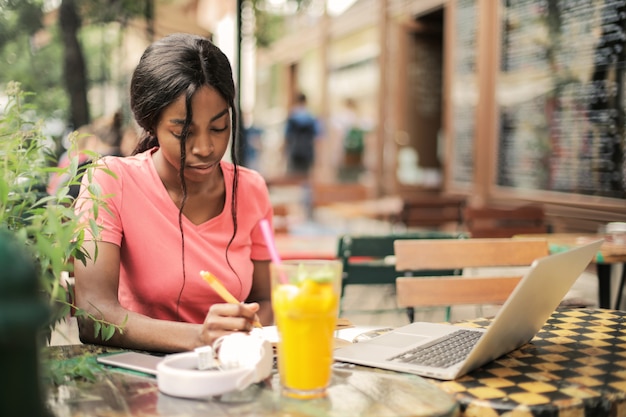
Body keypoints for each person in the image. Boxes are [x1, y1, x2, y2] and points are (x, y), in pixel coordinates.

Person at [73, 33, 274, 353]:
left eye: (220, 128)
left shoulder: (251, 190)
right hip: (135, 384)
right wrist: (199, 338)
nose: (206, 148)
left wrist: (246, 325)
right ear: (150, 121)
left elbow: (267, 300)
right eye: (183, 132)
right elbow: (92, 313)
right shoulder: (110, 181)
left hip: (233, 373)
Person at [284, 92, 320, 178]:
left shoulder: (292, 115)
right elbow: (317, 136)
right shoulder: (311, 116)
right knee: (306, 175)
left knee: (293, 175)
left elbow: (287, 135)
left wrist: (284, 151)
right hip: (308, 149)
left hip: (294, 148)